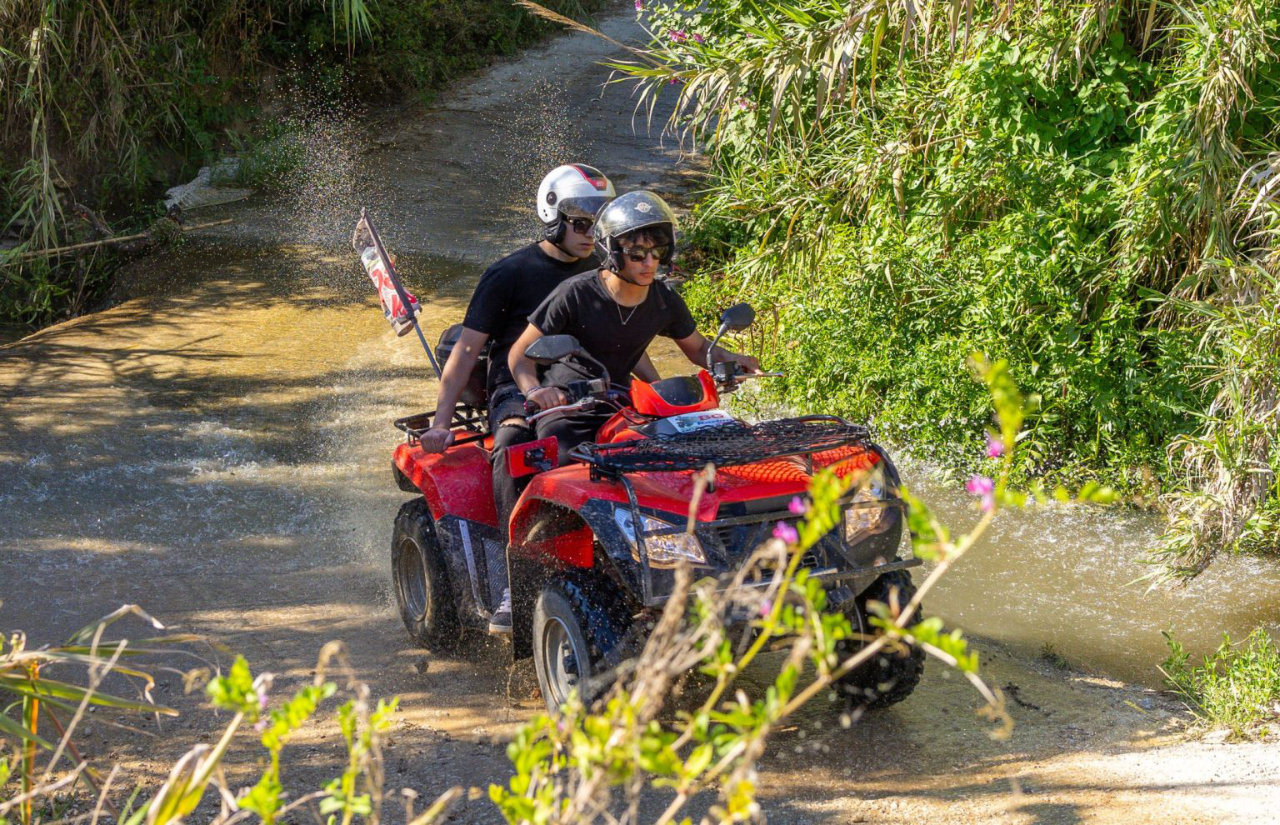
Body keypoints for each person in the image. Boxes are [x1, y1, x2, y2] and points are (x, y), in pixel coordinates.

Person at [421, 163, 619, 634]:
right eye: (580, 222)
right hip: (518, 382)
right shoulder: (509, 273)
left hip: (586, 380)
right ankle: (517, 580)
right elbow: (468, 351)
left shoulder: (604, 271)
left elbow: (625, 341)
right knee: (514, 446)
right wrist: (441, 422)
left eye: (599, 222)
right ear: (553, 216)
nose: (590, 234)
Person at [509, 190, 761, 464]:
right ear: (614, 252)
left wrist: (737, 361)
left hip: (627, 404)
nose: (650, 263)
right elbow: (520, 354)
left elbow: (699, 348)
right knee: (563, 466)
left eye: (657, 253)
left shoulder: (664, 300)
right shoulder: (575, 293)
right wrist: (536, 392)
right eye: (637, 254)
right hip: (570, 408)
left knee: (682, 457)